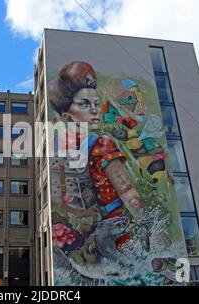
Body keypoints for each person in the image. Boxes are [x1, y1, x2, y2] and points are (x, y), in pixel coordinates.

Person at [48, 61, 145, 221]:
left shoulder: (57, 144)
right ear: (66, 115)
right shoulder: (102, 144)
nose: (95, 110)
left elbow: (56, 198)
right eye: (84, 104)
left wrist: (78, 213)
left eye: (96, 103)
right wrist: (152, 229)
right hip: (119, 223)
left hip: (90, 230)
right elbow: (128, 192)